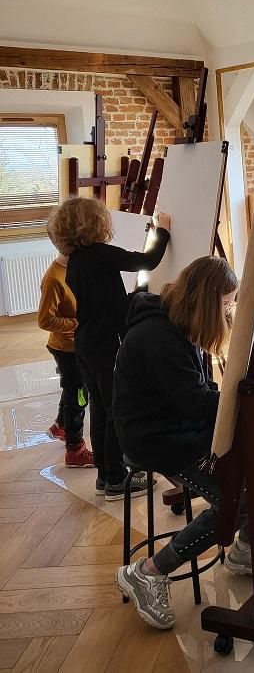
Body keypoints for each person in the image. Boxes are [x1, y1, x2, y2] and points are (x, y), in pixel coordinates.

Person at [114, 256, 250, 630]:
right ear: (207, 302)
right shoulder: (158, 337)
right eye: (225, 305)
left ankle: (244, 548)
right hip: (154, 438)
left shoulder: (179, 323)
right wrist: (245, 399)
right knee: (237, 498)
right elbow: (197, 402)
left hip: (177, 425)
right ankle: (149, 571)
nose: (227, 313)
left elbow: (201, 391)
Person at [46, 197, 170, 500]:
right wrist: (162, 232)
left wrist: (136, 296)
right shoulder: (101, 254)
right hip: (105, 346)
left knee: (101, 410)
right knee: (117, 409)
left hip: (85, 344)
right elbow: (148, 260)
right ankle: (116, 479)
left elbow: (104, 301)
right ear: (95, 224)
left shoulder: (76, 261)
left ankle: (105, 476)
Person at [37, 252, 93, 467]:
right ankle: (75, 450)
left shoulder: (75, 268)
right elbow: (45, 320)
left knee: (73, 388)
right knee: (78, 396)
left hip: (75, 345)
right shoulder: (53, 278)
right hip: (67, 348)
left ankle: (61, 425)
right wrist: (79, 323)